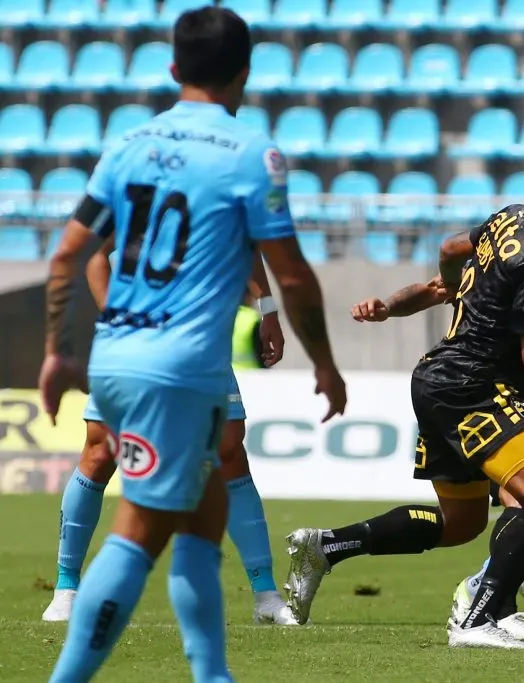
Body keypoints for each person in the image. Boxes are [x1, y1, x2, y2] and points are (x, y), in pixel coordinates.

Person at [37, 7, 347, 682]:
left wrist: (58, 352)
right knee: (140, 531)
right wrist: (324, 361)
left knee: (205, 516)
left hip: (115, 356)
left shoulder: (127, 144)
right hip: (178, 367)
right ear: (246, 72)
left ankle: (214, 674)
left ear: (174, 69)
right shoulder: (250, 154)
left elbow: (66, 255)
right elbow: (291, 272)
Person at [283, 147, 524, 650]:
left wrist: (456, 290)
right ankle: (482, 615)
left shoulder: (514, 218)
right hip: (475, 386)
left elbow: (450, 248)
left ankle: (326, 547)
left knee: (462, 523)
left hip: (451, 379)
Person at [348, 242, 524, 638]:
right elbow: (438, 287)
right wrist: (387, 307)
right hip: (492, 400)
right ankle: (492, 604)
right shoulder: (520, 265)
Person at [41, 240, 298, 626]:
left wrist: (268, 309)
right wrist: (114, 315)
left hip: (201, 339)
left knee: (229, 453)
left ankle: (265, 595)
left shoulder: (221, 185)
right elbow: (95, 252)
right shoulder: (137, 184)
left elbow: (246, 243)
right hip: (130, 345)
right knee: (100, 452)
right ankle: (66, 588)